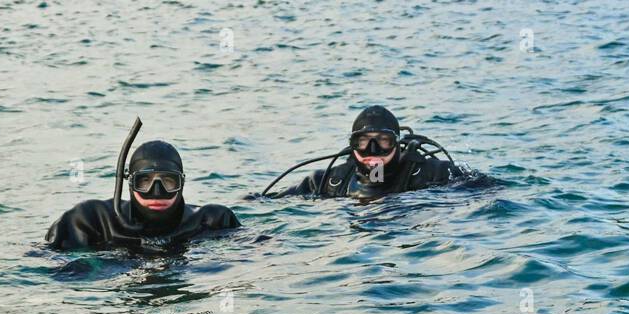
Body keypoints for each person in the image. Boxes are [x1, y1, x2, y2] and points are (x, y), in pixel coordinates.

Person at [46, 119, 239, 250]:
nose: (157, 192)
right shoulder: (91, 220)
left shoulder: (212, 221)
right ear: (130, 182)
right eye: (144, 181)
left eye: (168, 181)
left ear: (182, 183)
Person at [265, 105, 460, 199]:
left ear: (397, 143)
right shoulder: (327, 182)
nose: (373, 151)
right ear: (352, 145)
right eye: (364, 142)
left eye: (384, 141)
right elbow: (264, 203)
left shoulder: (436, 174)